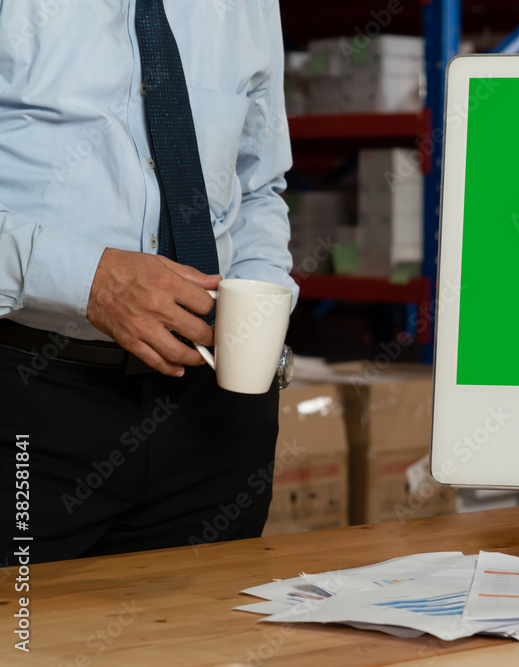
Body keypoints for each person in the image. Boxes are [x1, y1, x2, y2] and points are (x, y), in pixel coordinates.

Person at [0, 1, 297, 564]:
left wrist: (259, 312)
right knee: (22, 641)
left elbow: (259, 185)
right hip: (28, 403)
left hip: (216, 416)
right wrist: (89, 280)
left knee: (199, 643)